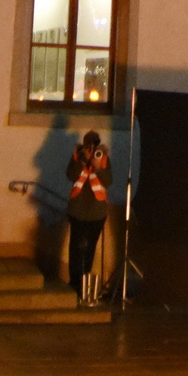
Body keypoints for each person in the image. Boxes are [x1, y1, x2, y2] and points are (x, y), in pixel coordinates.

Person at [65, 129, 112, 300]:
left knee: (89, 249)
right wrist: (83, 160)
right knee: (76, 248)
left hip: (97, 212)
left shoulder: (103, 156)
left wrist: (98, 167)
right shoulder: (78, 155)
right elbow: (71, 175)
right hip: (77, 210)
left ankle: (85, 285)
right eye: (88, 145)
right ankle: (75, 282)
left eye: (93, 145)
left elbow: (108, 181)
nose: (91, 149)